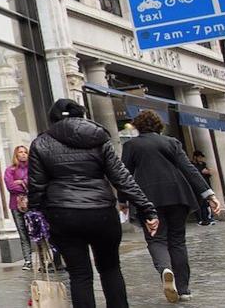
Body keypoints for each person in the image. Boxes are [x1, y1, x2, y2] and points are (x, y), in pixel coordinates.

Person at [28, 98, 157, 308]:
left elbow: (36, 186)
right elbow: (121, 177)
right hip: (101, 212)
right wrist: (147, 208)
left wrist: (34, 216)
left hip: (63, 214)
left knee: (79, 274)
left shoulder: (41, 143)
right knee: (110, 269)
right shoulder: (98, 137)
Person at [121, 110, 221, 303]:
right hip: (177, 195)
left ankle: (165, 269)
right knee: (177, 241)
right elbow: (189, 169)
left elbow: (124, 174)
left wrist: (122, 201)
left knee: (156, 239)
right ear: (159, 126)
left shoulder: (131, 145)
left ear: (138, 126)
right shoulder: (171, 142)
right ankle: (183, 289)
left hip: (147, 199)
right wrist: (209, 194)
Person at [3, 146, 34, 270]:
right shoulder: (10, 170)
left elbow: (34, 182)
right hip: (16, 205)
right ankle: (28, 260)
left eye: (25, 152)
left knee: (36, 231)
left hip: (32, 204)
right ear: (16, 154)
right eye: (20, 152)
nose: (23, 154)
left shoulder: (32, 168)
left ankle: (43, 260)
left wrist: (21, 182)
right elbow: (10, 186)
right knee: (22, 233)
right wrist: (24, 184)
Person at [189, 151, 216, 226]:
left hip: (205, 185)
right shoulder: (192, 165)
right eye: (199, 157)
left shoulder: (202, 164)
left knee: (206, 203)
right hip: (197, 187)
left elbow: (209, 172)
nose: (201, 159)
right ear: (195, 157)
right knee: (200, 203)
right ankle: (201, 219)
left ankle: (207, 218)